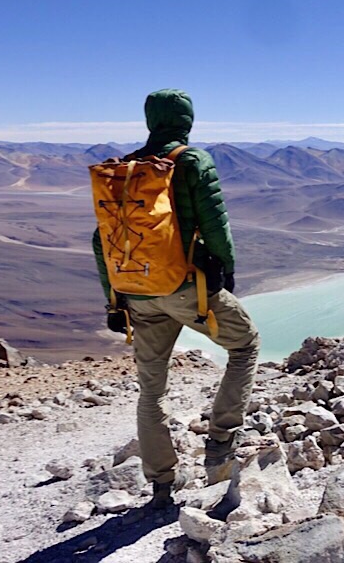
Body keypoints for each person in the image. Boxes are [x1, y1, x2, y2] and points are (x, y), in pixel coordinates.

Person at [91, 89, 261, 508]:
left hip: (137, 294)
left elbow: (101, 240)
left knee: (152, 392)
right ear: (186, 120)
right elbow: (215, 222)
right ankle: (220, 440)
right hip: (188, 288)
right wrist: (226, 266)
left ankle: (162, 483)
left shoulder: (127, 169)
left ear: (150, 121)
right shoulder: (191, 161)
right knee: (244, 345)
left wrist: (114, 301)